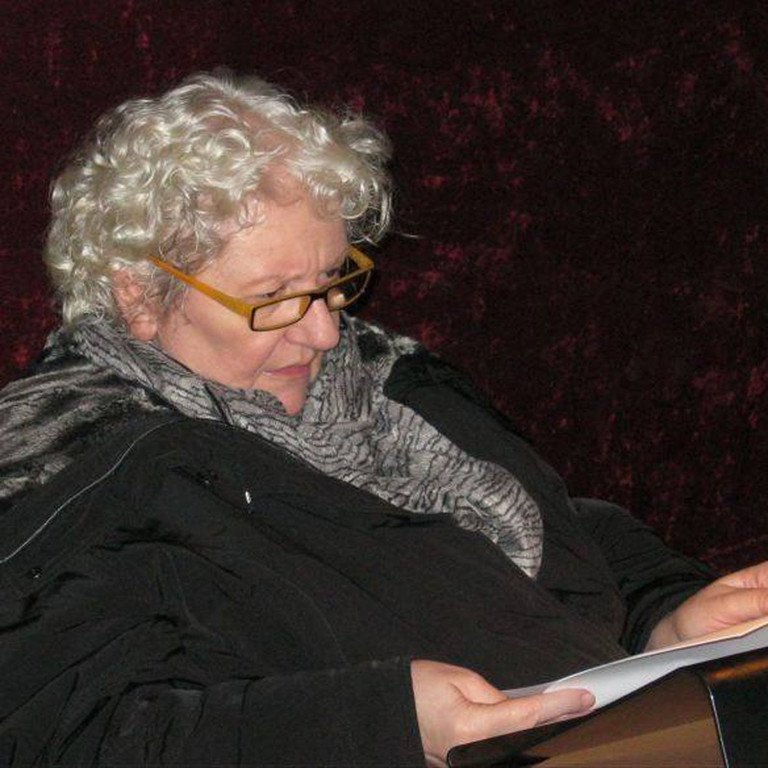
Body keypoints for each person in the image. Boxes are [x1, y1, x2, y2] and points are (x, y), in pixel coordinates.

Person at [0, 71, 766, 768]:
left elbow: (555, 525)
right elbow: (66, 735)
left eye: (332, 280)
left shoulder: (381, 378)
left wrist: (665, 613)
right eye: (272, 299)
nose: (324, 331)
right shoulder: (84, 466)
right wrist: (381, 723)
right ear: (139, 296)